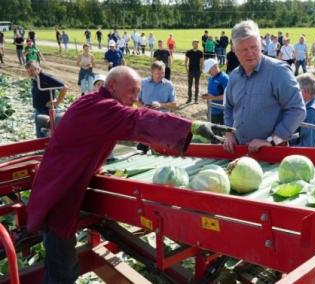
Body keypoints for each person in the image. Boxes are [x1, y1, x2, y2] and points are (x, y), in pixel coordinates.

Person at [25, 65, 229, 284]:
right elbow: (139, 118)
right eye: (131, 91)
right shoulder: (104, 108)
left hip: (59, 189)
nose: (135, 98)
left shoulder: (91, 102)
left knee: (65, 262)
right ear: (112, 86)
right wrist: (193, 126)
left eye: (137, 92)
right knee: (61, 271)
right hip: (58, 196)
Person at [223, 20, 306, 154]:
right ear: (234, 51)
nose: (250, 53)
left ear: (261, 44)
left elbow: (297, 109)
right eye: (244, 49)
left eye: (254, 47)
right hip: (240, 152)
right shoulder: (234, 76)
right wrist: (229, 132)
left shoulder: (278, 72)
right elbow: (228, 107)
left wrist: (271, 141)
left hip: (272, 154)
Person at [137, 61, 177, 153]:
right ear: (152, 72)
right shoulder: (143, 83)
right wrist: (143, 107)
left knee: (161, 150)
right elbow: (135, 100)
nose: (161, 75)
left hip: (162, 122)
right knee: (142, 150)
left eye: (162, 73)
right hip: (146, 120)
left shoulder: (169, 85)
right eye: (158, 73)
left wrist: (161, 105)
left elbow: (174, 104)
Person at [25, 61, 67, 138]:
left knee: (47, 135)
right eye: (28, 71)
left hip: (46, 111)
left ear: (38, 68)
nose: (30, 73)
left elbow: (64, 87)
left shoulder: (46, 77)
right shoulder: (35, 78)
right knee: (40, 135)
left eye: (32, 70)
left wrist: (57, 102)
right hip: (39, 110)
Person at [291, 73, 315, 147]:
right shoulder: (313, 105)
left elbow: (307, 146)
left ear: (305, 91)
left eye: (296, 90)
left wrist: (286, 149)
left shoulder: (311, 112)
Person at [202, 58, 229, 125]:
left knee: (220, 133)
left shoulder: (225, 79)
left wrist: (212, 97)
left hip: (221, 112)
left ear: (215, 67)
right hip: (211, 110)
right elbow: (212, 92)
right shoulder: (210, 78)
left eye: (209, 70)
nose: (208, 73)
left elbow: (228, 96)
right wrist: (207, 95)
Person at [185, 39, 204, 104]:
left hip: (197, 71)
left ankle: (196, 99)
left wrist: (201, 70)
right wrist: (186, 69)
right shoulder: (188, 52)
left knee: (197, 85)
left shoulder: (200, 52)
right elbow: (186, 61)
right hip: (190, 71)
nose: (196, 45)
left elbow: (202, 62)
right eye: (195, 44)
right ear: (192, 44)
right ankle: (189, 98)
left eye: (197, 44)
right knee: (189, 85)